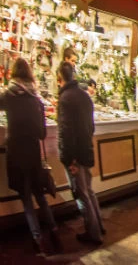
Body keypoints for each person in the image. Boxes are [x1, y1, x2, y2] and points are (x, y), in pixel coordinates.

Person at [0, 59, 61, 255]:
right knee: (40, 197)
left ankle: (37, 240)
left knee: (26, 199)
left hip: (16, 153)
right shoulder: (36, 99)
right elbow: (42, 134)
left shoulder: (8, 95)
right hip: (34, 154)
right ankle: (54, 234)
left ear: (12, 75)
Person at [56, 61, 104, 245]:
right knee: (89, 191)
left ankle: (93, 233)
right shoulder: (84, 96)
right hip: (86, 150)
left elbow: (66, 132)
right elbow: (90, 127)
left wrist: (70, 159)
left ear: (60, 78)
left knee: (81, 193)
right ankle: (98, 226)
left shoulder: (65, 98)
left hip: (74, 155)